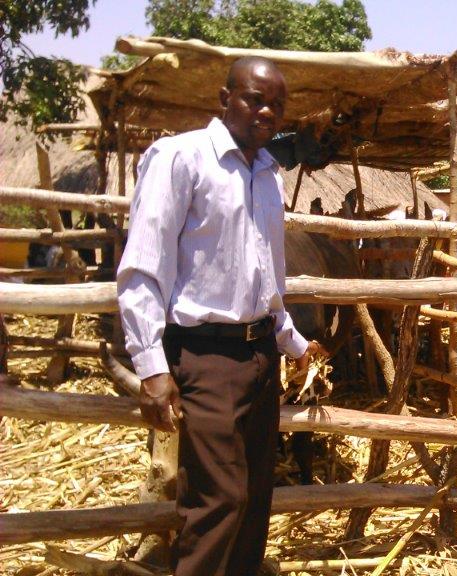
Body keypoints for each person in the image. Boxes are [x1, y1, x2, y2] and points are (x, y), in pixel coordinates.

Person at [117, 56, 322, 575]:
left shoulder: (266, 174)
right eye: (255, 98)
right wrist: (151, 366)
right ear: (224, 98)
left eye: (277, 104)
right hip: (205, 354)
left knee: (254, 499)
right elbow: (143, 266)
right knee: (217, 501)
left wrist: (292, 342)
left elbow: (266, 278)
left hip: (258, 355)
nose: (267, 112)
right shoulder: (180, 158)